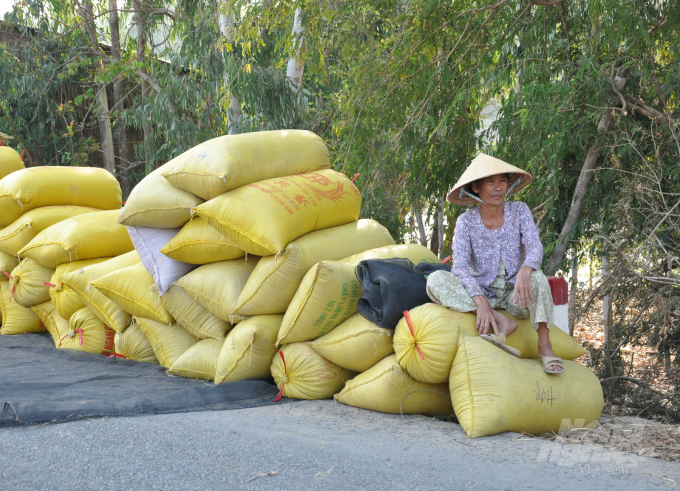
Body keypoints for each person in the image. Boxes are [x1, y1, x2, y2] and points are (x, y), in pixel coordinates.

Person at [426, 153, 564, 374]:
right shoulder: (466, 222)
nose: (498, 187)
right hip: (483, 293)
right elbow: (460, 266)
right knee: (435, 280)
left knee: (537, 277)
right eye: (491, 182)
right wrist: (479, 300)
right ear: (476, 188)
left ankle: (545, 346)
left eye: (502, 181)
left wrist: (525, 270)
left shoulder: (519, 210)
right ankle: (499, 319)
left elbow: (534, 246)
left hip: (516, 295)